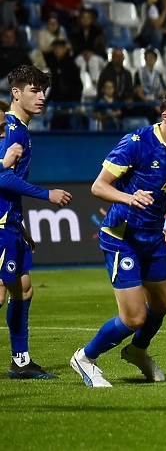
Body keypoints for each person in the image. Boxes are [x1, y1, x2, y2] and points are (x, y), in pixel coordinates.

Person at [70, 90, 166, 387]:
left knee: (162, 305)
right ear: (165, 116)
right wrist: (129, 198)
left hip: (153, 236)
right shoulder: (136, 143)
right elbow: (99, 187)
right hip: (121, 236)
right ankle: (86, 358)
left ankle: (137, 351)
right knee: (134, 318)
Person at [1, 66, 73, 379]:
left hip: (11, 223)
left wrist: (22, 227)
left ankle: (20, 362)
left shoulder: (21, 129)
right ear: (15, 93)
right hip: (1, 225)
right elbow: (2, 176)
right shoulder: (11, 129)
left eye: (43, 90)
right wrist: (48, 195)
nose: (41, 97)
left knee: (23, 289)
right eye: (33, 90)